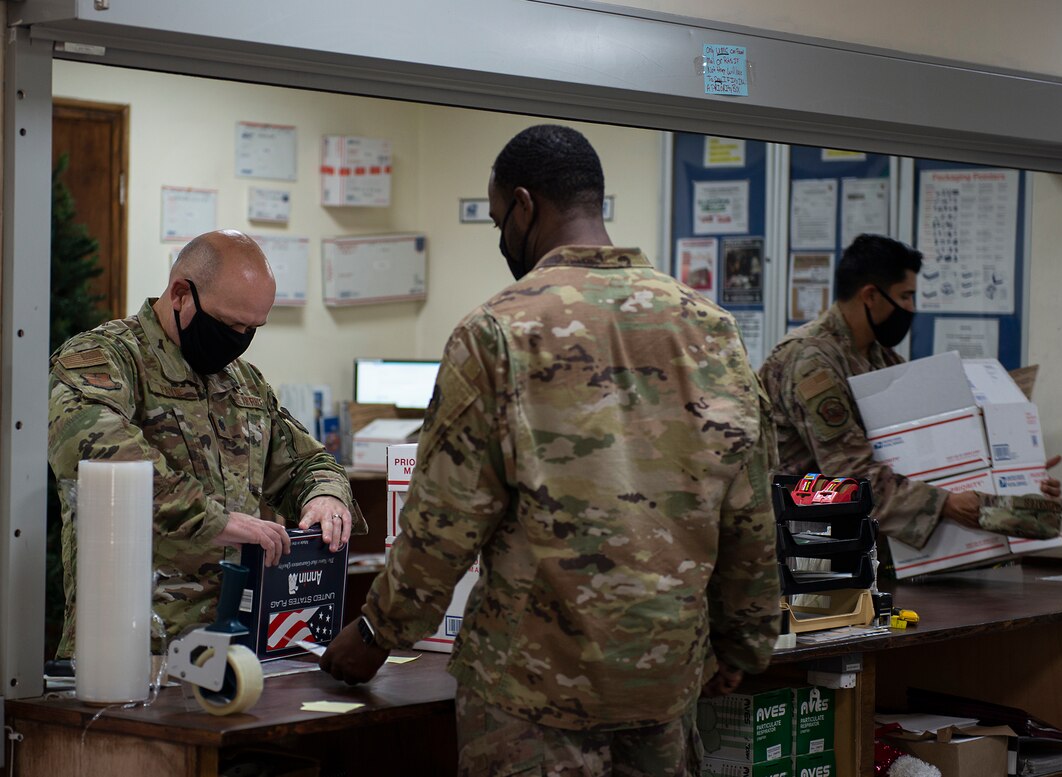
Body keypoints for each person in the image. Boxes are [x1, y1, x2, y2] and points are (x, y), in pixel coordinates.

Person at [320, 125, 781, 775]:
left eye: (496, 218)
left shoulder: (496, 332)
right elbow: (749, 509)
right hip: (664, 685)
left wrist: (374, 636)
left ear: (525, 206)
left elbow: (442, 524)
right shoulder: (712, 331)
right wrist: (743, 642)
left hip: (530, 698)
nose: (501, 236)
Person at [48, 229, 361, 657]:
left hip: (236, 649)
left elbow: (306, 462)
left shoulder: (243, 382)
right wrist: (215, 521)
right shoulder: (104, 360)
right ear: (180, 294)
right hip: (132, 649)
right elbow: (100, 457)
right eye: (231, 325)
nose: (239, 339)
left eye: (253, 328)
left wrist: (325, 497)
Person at [759, 233, 1061, 549]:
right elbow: (850, 476)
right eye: (905, 296)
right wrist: (944, 504)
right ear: (871, 295)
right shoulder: (811, 362)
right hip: (806, 547)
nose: (911, 308)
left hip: (860, 543)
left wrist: (1018, 475)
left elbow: (923, 453)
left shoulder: (880, 357)